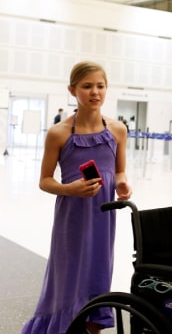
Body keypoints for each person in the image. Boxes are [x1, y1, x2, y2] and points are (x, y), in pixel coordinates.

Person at [22, 61, 132, 334]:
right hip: (72, 217)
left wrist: (122, 185)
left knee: (98, 275)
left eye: (100, 86)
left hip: (103, 217)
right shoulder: (58, 133)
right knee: (68, 276)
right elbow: (44, 181)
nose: (95, 92)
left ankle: (92, 327)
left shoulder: (117, 130)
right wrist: (70, 189)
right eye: (87, 86)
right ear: (72, 90)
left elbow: (119, 171)